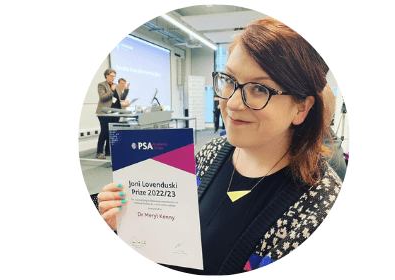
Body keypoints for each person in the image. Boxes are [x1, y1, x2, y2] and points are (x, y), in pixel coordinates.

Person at [94, 17, 341, 275]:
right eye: (230, 80)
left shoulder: (321, 207)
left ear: (302, 107)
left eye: (259, 88)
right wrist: (131, 225)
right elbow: (173, 240)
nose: (232, 103)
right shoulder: (211, 152)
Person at [95, 70, 130, 159]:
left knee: (112, 132)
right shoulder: (102, 85)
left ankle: (108, 151)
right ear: (106, 75)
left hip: (115, 112)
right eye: (111, 76)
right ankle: (99, 152)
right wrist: (111, 90)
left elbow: (121, 98)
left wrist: (126, 90)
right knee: (104, 132)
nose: (113, 78)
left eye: (114, 76)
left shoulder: (117, 86)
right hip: (104, 112)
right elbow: (103, 98)